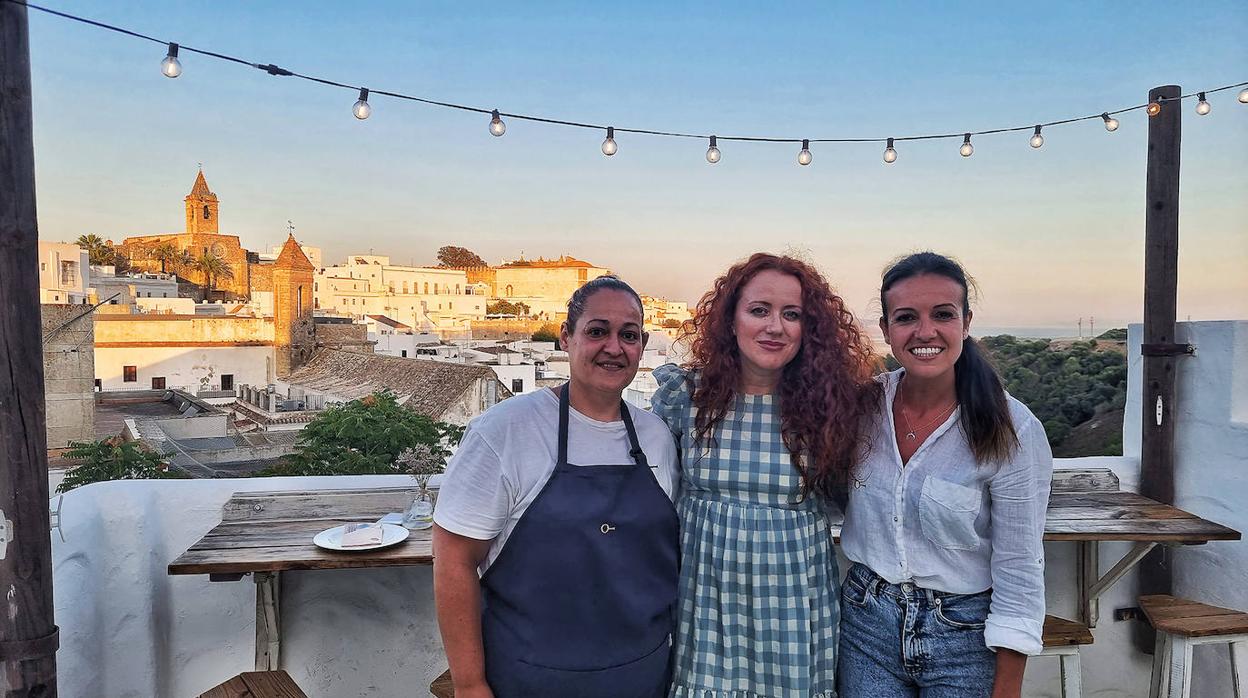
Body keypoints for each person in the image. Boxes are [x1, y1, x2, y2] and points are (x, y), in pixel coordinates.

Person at [432, 276, 681, 698]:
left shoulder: (656, 437)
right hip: (530, 679)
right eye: (597, 331)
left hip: (642, 677)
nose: (613, 347)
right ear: (566, 337)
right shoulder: (507, 430)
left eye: (629, 335)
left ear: (643, 345)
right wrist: (469, 684)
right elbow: (453, 559)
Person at [650, 253, 877, 697]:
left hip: (793, 611)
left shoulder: (829, 411)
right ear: (730, 320)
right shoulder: (686, 398)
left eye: (792, 315)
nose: (775, 326)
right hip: (705, 609)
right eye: (759, 310)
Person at [837, 252, 1054, 698]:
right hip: (865, 626)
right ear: (885, 330)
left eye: (942, 314)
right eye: (905, 317)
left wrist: (1008, 686)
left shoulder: (1011, 427)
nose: (925, 331)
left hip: (965, 636)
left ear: (966, 322)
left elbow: (1019, 566)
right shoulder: (862, 409)